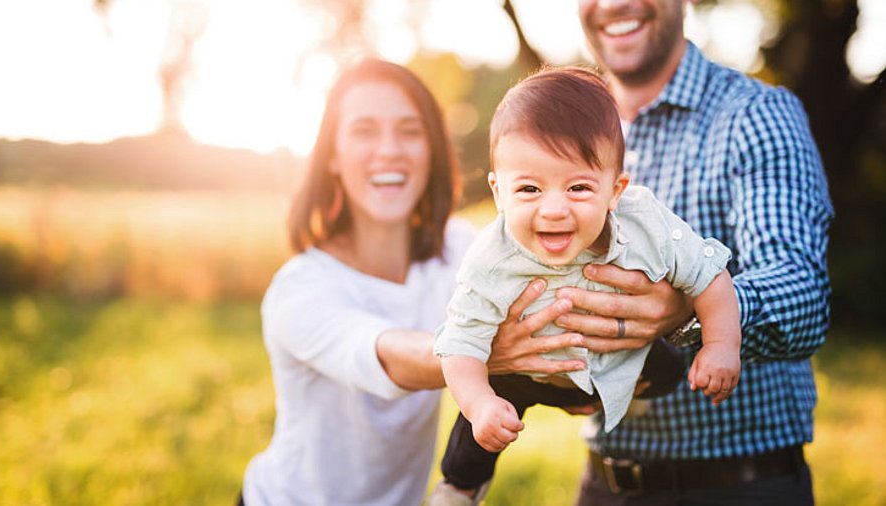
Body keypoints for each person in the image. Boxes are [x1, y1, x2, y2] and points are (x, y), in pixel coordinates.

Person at [237, 58, 593, 506]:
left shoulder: (461, 251)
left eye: (410, 130)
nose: (389, 150)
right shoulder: (301, 286)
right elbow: (388, 357)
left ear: (431, 150)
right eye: (364, 131)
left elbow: (546, 304)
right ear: (331, 156)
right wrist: (483, 348)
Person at [559, 1, 834, 504]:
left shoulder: (753, 114)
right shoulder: (568, 131)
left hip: (741, 487)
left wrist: (693, 310)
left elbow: (802, 293)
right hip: (603, 485)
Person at [427, 66, 741, 505]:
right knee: (484, 410)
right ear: (499, 193)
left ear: (616, 190)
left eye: (578, 187)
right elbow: (459, 343)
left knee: (670, 370)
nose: (554, 209)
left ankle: (626, 394)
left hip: (623, 356)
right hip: (532, 372)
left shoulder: (645, 223)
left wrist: (721, 345)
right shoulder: (490, 257)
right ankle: (458, 489)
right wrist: (479, 403)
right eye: (529, 189)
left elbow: (709, 274)